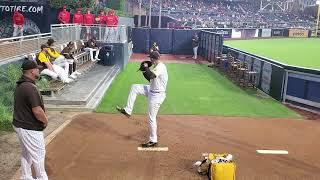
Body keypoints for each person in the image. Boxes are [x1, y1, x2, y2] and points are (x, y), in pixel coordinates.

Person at [116, 51, 168, 148]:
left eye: (150, 58)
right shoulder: (156, 67)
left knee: (151, 118)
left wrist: (146, 68)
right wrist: (144, 70)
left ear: (153, 59)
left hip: (157, 96)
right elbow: (149, 78)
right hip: (152, 90)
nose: (149, 60)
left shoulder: (160, 67)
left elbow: (151, 76)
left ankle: (153, 140)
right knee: (135, 87)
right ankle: (128, 110)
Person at [12, 60, 49, 180]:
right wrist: (45, 120)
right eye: (37, 69)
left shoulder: (21, 84)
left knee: (27, 153)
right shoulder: (30, 87)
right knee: (38, 155)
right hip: (29, 127)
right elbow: (37, 111)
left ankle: (26, 177)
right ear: (32, 71)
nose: (39, 70)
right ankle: (41, 177)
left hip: (20, 124)